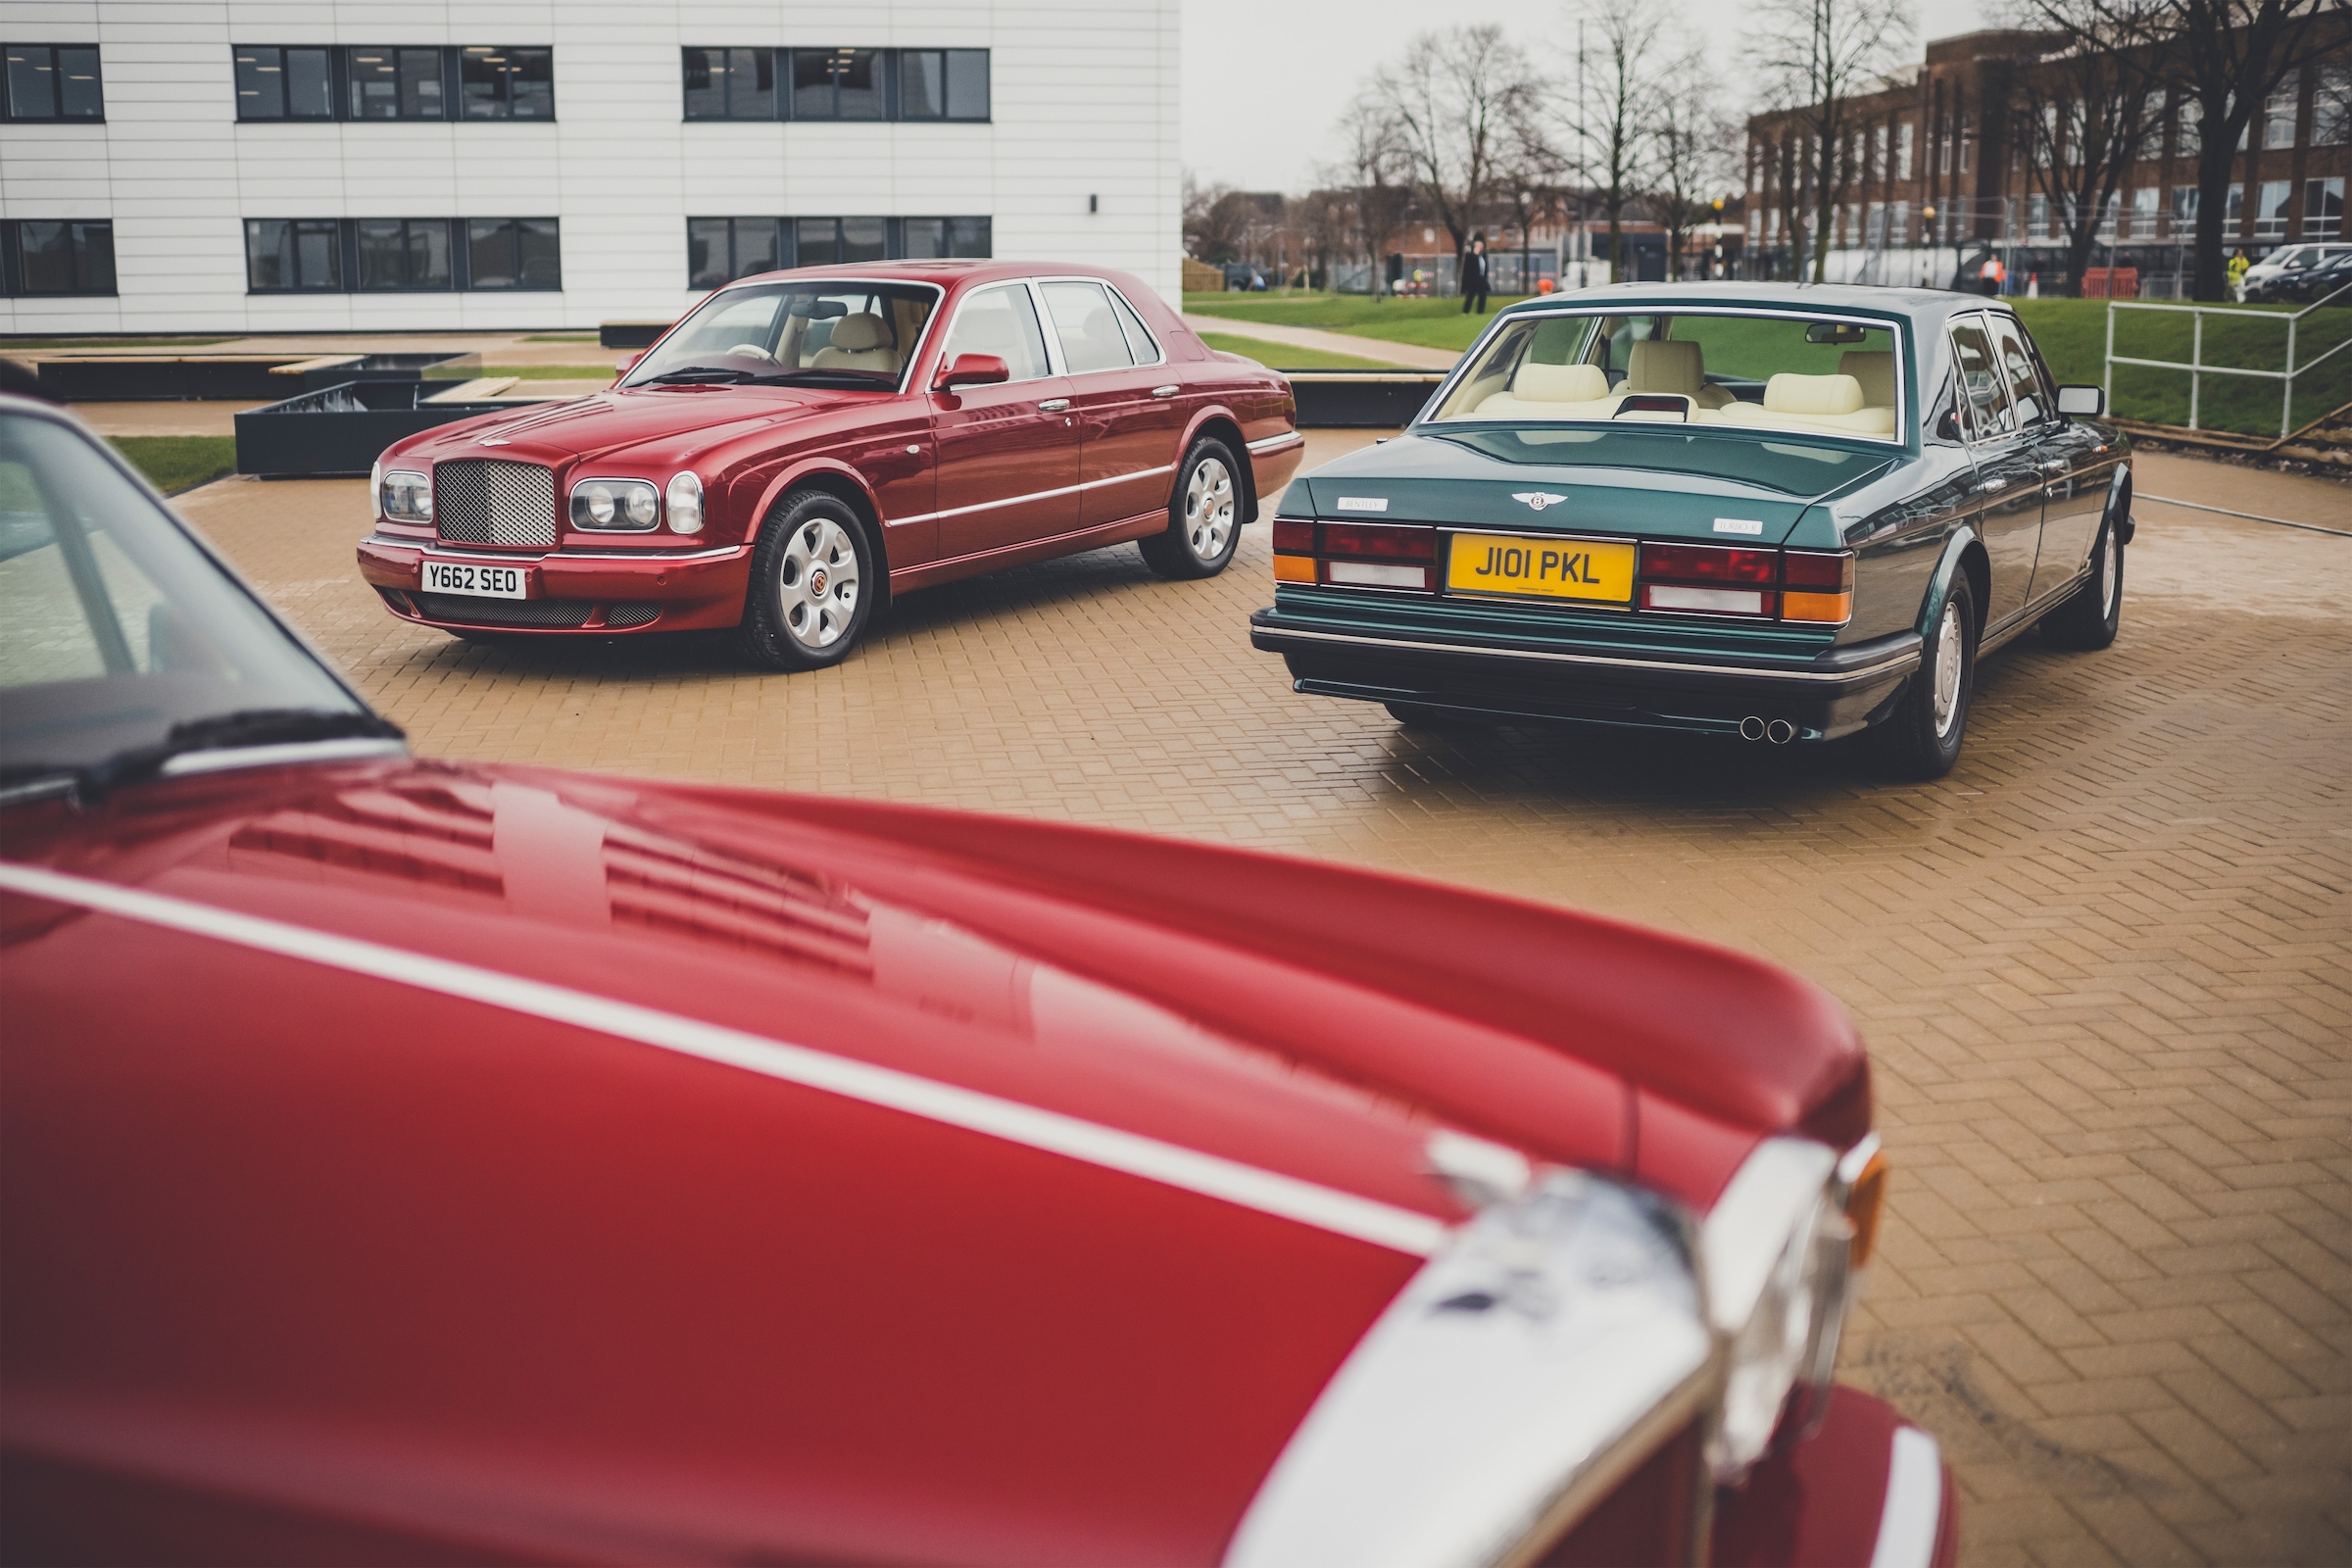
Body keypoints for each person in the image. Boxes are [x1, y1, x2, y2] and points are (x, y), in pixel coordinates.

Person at [1460, 236, 1490, 315]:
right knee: (1470, 295)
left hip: (1482, 279)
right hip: (1473, 280)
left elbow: (1485, 267)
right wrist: (1475, 255)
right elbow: (1469, 268)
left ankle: (1480, 312)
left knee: (1483, 296)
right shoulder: (1470, 256)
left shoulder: (1483, 256)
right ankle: (1465, 311)